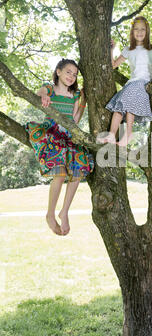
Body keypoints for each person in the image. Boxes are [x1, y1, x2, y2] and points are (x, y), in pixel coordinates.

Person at [25, 59, 94, 236]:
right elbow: (39, 93)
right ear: (58, 72)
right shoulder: (50, 89)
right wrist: (43, 96)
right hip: (51, 133)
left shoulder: (76, 95)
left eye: (75, 74)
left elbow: (75, 120)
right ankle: (50, 213)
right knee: (60, 173)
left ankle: (64, 211)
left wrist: (83, 102)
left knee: (77, 172)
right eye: (68, 72)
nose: (72, 76)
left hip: (68, 136)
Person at [97, 16, 152, 146]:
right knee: (119, 107)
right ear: (132, 32)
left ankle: (129, 134)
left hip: (145, 82)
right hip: (132, 83)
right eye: (136, 29)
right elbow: (113, 65)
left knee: (128, 102)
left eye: (143, 29)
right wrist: (112, 50)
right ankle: (111, 135)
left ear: (147, 31)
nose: (139, 32)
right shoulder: (128, 49)